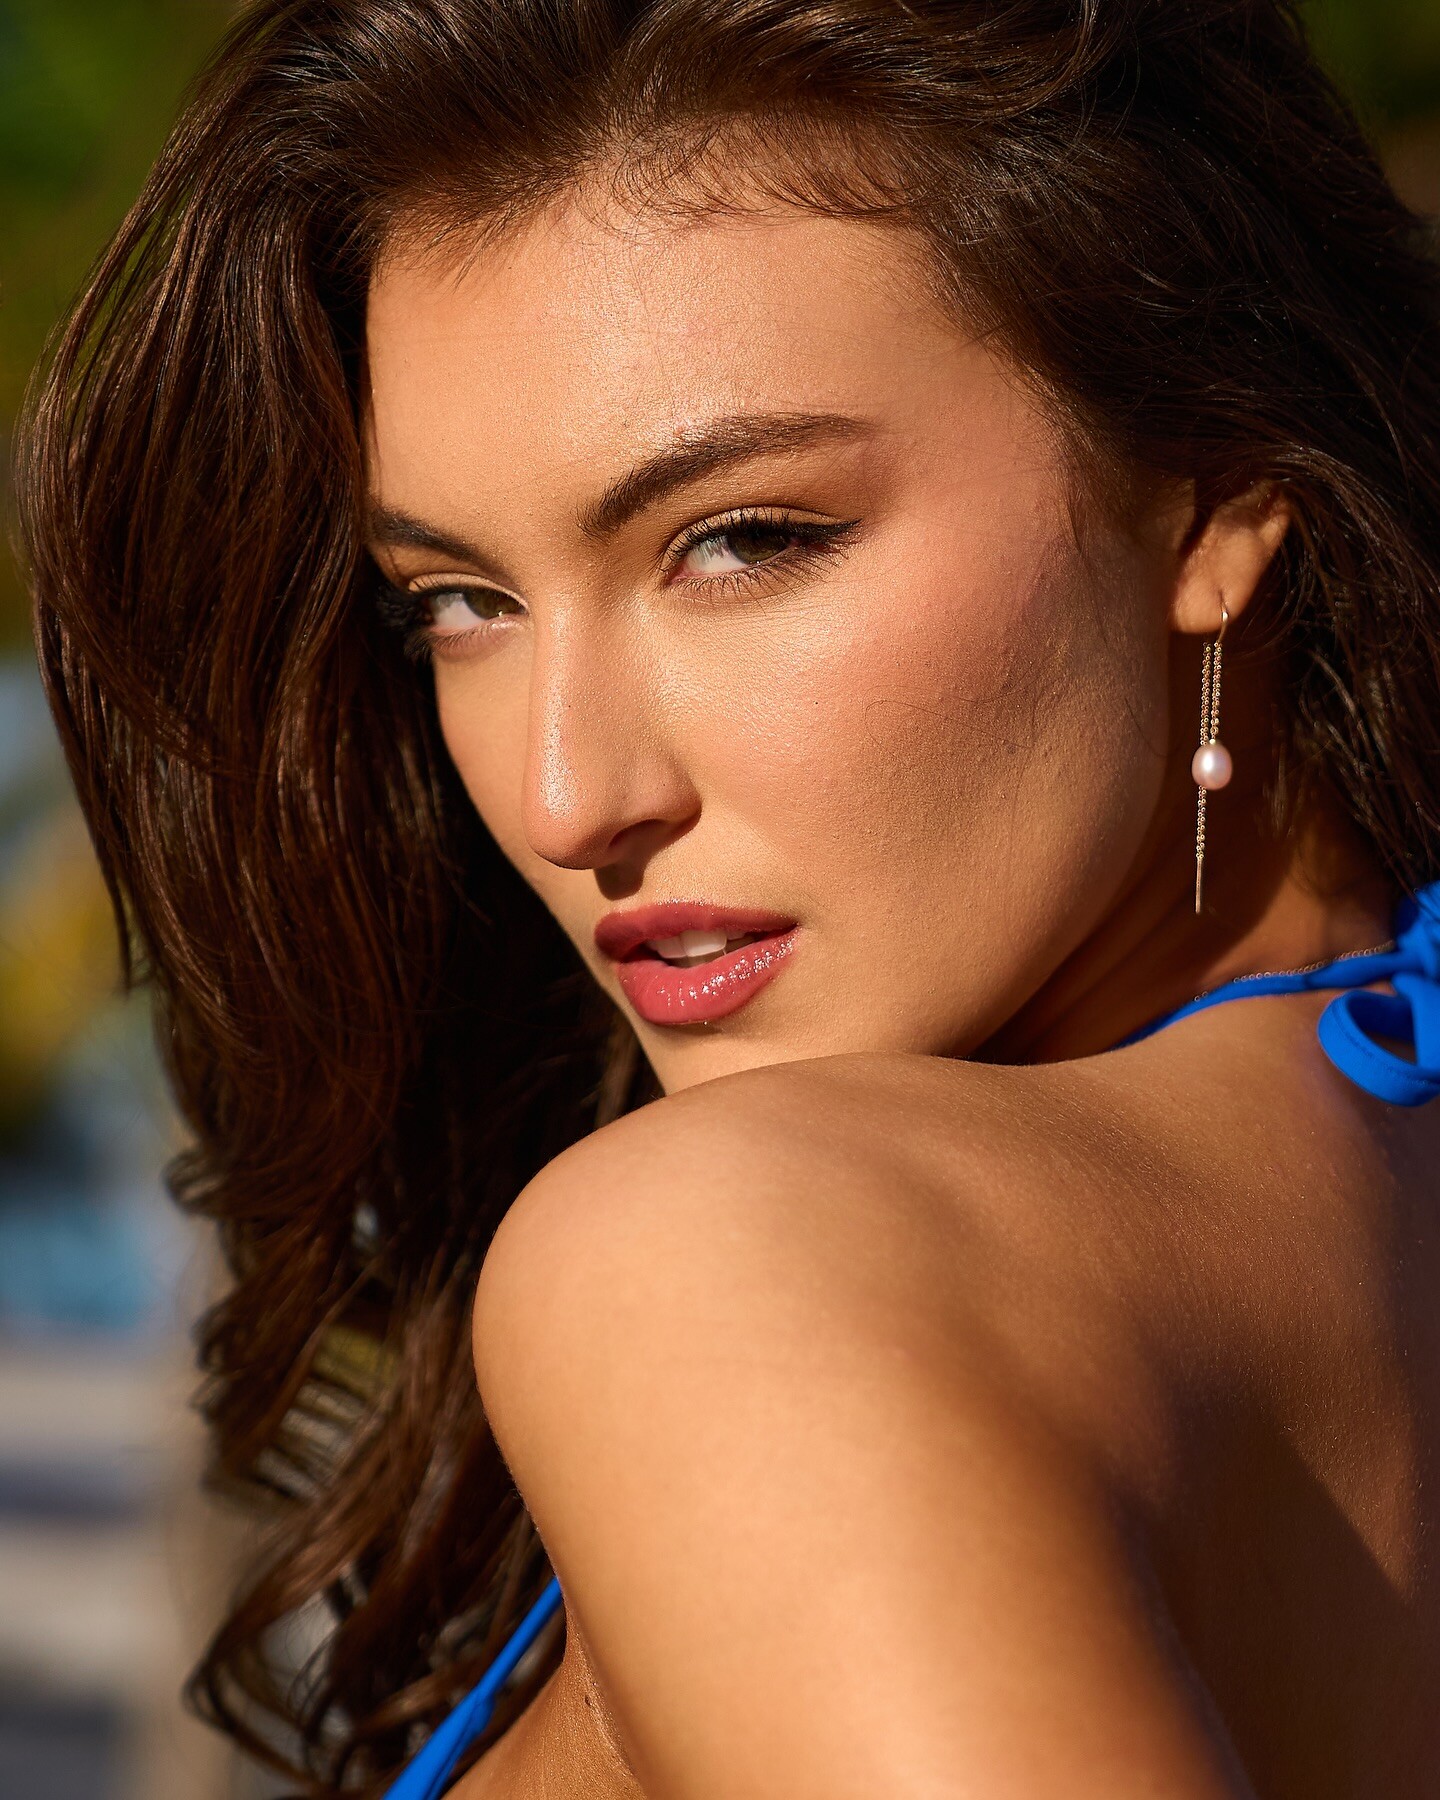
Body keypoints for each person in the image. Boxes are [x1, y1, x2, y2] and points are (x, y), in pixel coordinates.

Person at [16, 0, 1440, 1795]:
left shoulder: (748, 1259)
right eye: (456, 602)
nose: (569, 798)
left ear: (1218, 495)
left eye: (745, 540)